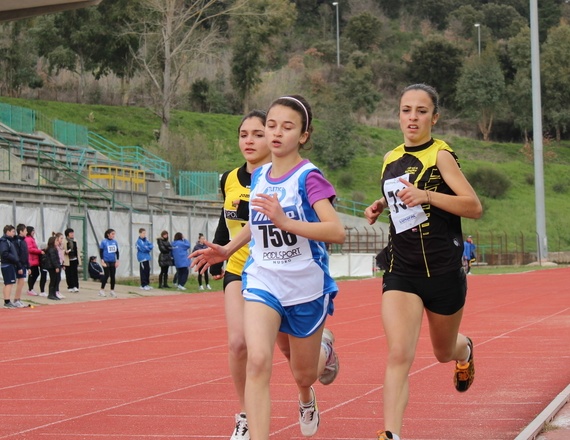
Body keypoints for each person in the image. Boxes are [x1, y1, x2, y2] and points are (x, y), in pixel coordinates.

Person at [192, 95, 345, 440]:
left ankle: (322, 354)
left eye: (287, 127)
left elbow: (336, 231)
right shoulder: (259, 175)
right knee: (257, 360)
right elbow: (256, 222)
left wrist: (286, 221)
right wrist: (227, 248)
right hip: (263, 279)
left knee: (302, 374)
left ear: (303, 135)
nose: (276, 133)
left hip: (305, 285)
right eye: (271, 126)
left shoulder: (310, 178)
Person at [364, 84, 482, 440]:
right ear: (398, 114)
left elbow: (473, 207)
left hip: (444, 270)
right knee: (399, 352)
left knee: (443, 351)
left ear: (434, 117)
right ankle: (391, 434)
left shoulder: (442, 156)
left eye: (420, 110)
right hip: (402, 270)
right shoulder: (390, 157)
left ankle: (465, 350)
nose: (412, 117)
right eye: (405, 110)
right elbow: (398, 195)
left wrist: (427, 194)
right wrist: (380, 205)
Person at [0, 225, 21, 308]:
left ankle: (7, 300)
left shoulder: (9, 241)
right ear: (8, 232)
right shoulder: (4, 241)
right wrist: (14, 258)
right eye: (13, 231)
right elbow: (4, 253)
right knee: (9, 283)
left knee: (8, 283)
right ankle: (7, 301)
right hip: (7, 264)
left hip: (9, 264)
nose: (14, 233)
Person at [12, 224, 30, 307]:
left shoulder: (24, 241)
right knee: (21, 281)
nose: (26, 232)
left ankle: (18, 299)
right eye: (25, 231)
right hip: (19, 264)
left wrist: (28, 266)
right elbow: (17, 255)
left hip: (23, 264)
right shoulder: (17, 241)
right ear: (21, 231)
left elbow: (26, 254)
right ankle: (16, 299)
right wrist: (19, 266)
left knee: (22, 282)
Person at [25, 226, 45, 296]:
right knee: (32, 274)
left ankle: (31, 288)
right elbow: (29, 249)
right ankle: (30, 289)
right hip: (31, 260)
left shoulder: (32, 239)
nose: (34, 232)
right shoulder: (28, 239)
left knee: (36, 273)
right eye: (33, 231)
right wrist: (39, 251)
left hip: (34, 260)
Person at [99, 228, 119, 297]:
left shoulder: (115, 242)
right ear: (108, 235)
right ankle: (101, 290)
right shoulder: (104, 242)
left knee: (113, 276)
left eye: (114, 234)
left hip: (112, 260)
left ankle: (112, 290)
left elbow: (117, 252)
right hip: (106, 260)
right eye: (112, 234)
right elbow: (101, 251)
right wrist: (102, 260)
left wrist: (117, 260)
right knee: (106, 275)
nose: (113, 235)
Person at [45, 234, 63, 300]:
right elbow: (53, 259)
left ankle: (54, 294)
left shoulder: (54, 249)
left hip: (53, 266)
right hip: (52, 267)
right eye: (56, 241)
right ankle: (51, 294)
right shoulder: (51, 250)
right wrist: (56, 267)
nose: (57, 242)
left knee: (56, 280)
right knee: (53, 280)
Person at [64, 228, 80, 292]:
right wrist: (65, 252)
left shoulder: (75, 240)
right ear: (67, 234)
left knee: (75, 273)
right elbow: (61, 249)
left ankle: (75, 286)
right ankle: (70, 286)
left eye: (73, 233)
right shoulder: (64, 241)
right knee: (68, 273)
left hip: (74, 259)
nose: (72, 234)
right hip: (68, 259)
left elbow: (78, 249)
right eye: (70, 233)